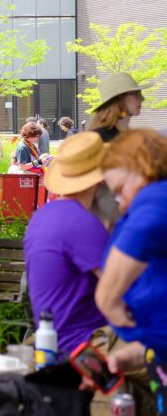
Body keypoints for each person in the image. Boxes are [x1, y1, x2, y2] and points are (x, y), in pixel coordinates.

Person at [23, 132, 109, 356]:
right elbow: (121, 289)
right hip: (84, 345)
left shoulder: (42, 216)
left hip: (52, 339)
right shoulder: (82, 222)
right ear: (100, 179)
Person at [95, 131, 167, 393]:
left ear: (141, 165)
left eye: (120, 191)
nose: (122, 204)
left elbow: (146, 225)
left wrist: (107, 298)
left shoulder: (158, 196)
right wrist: (131, 356)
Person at [90, 72, 151, 143]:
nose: (142, 98)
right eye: (135, 94)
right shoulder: (99, 138)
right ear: (120, 98)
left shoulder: (130, 135)